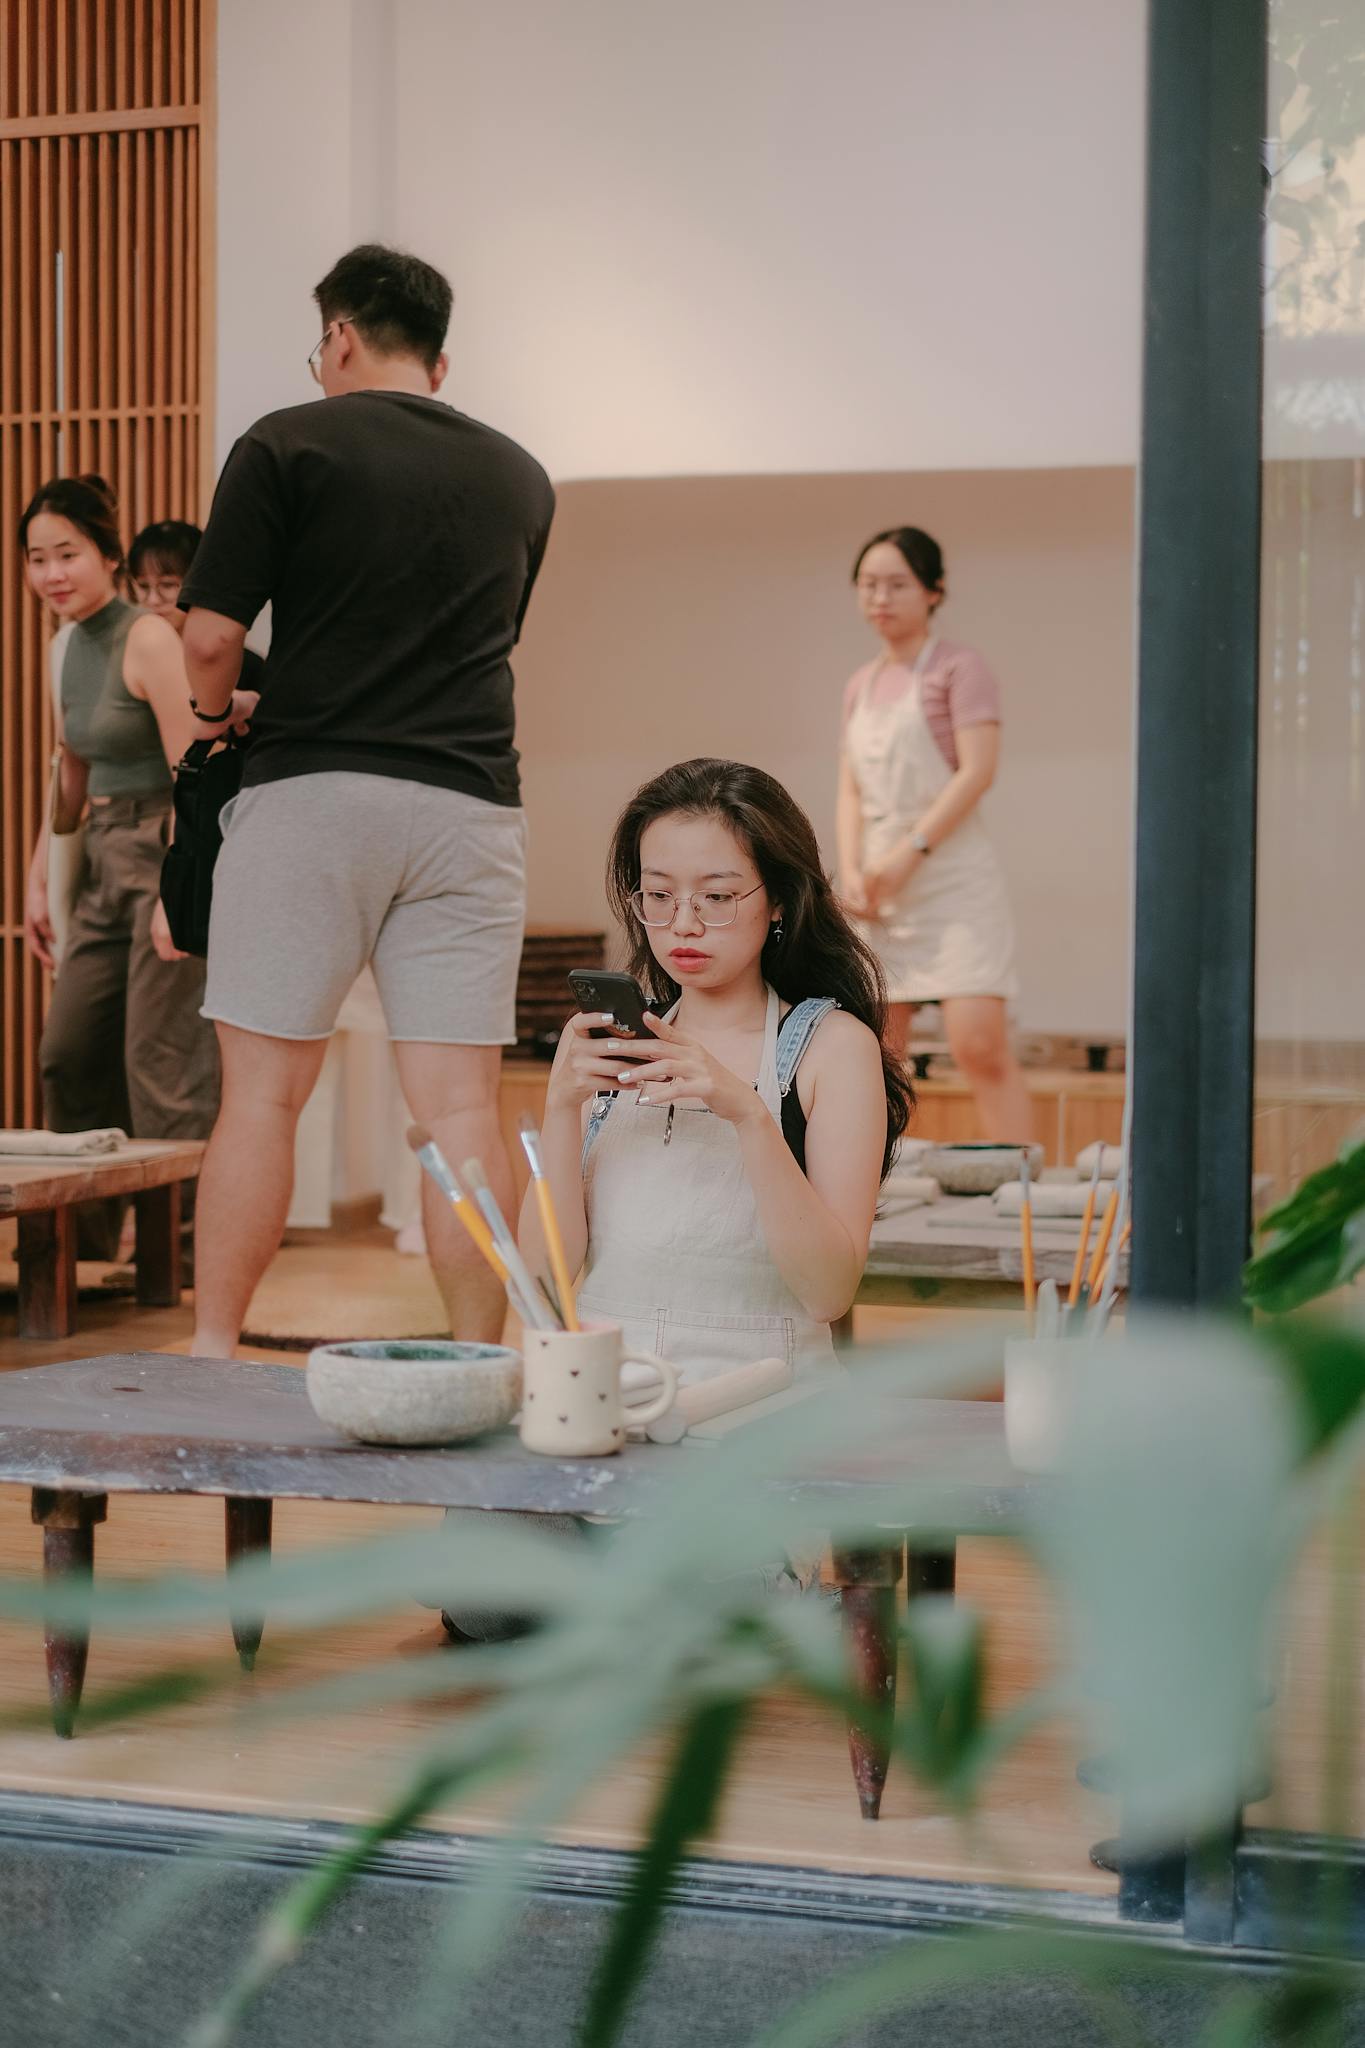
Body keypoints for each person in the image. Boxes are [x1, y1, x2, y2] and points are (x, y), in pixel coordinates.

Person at [176, 242, 555, 1356]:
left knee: (263, 1097)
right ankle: (480, 1361)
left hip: (315, 792)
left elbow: (208, 636)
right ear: (439, 360)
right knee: (458, 1111)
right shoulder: (522, 475)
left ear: (339, 336)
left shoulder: (288, 438)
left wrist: (213, 718)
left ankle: (212, 1355)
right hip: (472, 805)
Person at [524, 758, 913, 1380]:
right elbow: (541, 1284)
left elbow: (828, 1293)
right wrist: (560, 1108)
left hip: (762, 1420)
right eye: (660, 895)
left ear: (780, 901)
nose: (684, 923)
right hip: (609, 1399)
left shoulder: (830, 1048)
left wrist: (750, 1115)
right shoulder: (609, 1048)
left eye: (718, 896)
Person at [20, 475, 219, 1258]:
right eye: (37, 559)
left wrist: (180, 890)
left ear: (107, 554)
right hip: (98, 858)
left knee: (160, 1062)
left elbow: (191, 774)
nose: (53, 574)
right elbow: (70, 767)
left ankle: (175, 1249)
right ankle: (84, 1246)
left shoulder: (147, 638)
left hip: (162, 848)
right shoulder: (62, 647)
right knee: (68, 1054)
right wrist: (41, 874)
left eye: (67, 553)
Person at [836, 526, 1032, 1141]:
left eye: (897, 584)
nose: (880, 598)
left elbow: (978, 773)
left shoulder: (959, 667)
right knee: (878, 1056)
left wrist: (908, 855)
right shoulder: (859, 684)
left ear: (934, 590)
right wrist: (849, 866)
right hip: (878, 886)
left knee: (978, 1047)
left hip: (950, 880)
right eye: (869, 585)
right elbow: (850, 789)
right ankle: (874, 1182)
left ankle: (1018, 1182)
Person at [128, 519, 267, 694]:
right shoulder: (129, 660)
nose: (153, 600)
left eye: (167, 585)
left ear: (199, 583)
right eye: (143, 586)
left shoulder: (245, 667)